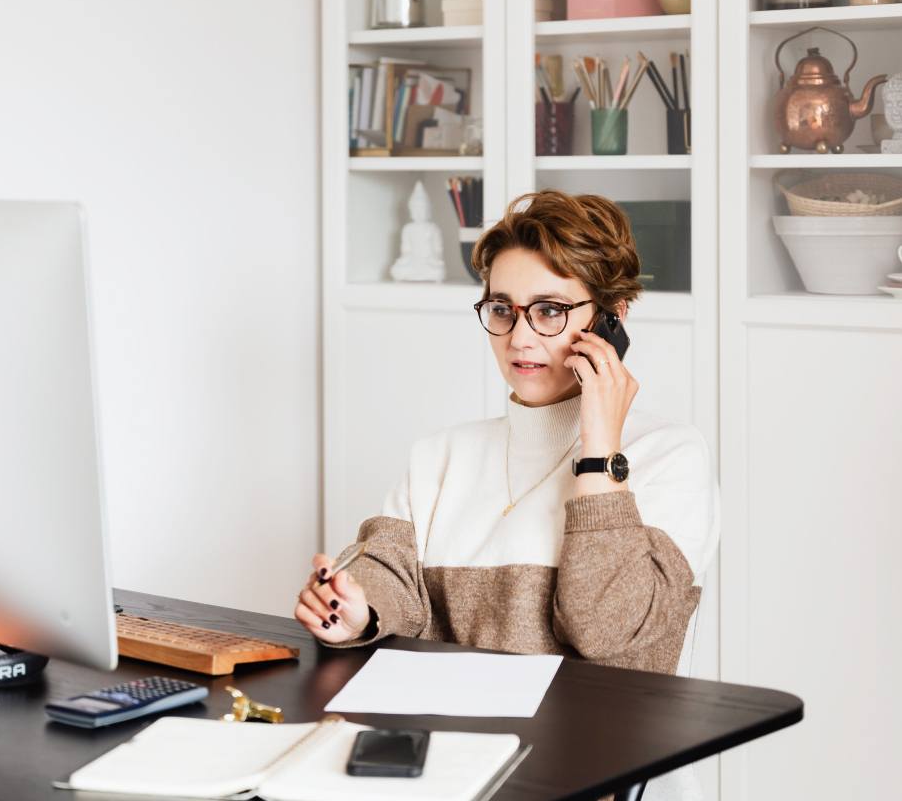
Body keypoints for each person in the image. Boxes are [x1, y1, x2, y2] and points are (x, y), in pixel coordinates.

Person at [294, 190, 718, 800]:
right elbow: (389, 575)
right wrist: (355, 608)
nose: (520, 336)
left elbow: (609, 632)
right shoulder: (439, 455)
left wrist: (599, 449)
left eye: (549, 310)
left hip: (592, 777)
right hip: (448, 769)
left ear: (612, 318)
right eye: (503, 309)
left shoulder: (670, 456)